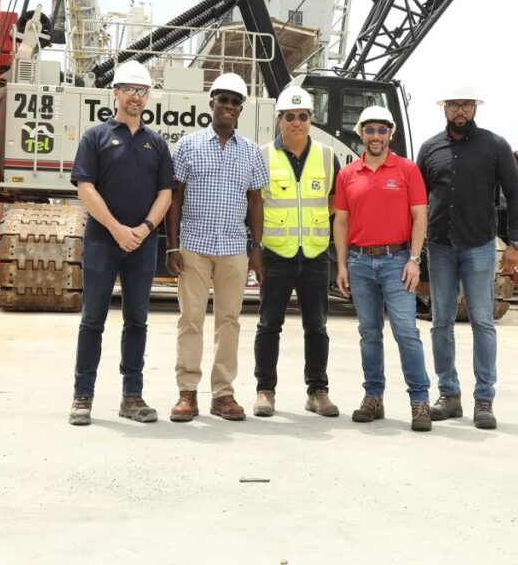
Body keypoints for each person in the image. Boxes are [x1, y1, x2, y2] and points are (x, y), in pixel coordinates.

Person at [68, 61, 174, 426]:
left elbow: (166, 193)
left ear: (148, 97)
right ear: (115, 92)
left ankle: (132, 397)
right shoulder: (95, 137)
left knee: (137, 321)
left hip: (142, 244)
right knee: (92, 319)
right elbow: (85, 187)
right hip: (102, 239)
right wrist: (115, 228)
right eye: (129, 89)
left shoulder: (156, 143)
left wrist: (144, 229)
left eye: (142, 91)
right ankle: (82, 397)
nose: (135, 96)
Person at [416, 85, 518, 429]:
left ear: (475, 108)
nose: (459, 111)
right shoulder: (430, 148)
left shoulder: (495, 146)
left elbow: (516, 194)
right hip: (439, 246)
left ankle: (484, 399)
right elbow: (417, 203)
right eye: (453, 105)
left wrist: (515, 243)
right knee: (440, 323)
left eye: (465, 105)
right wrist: (414, 254)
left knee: (482, 321)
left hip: (479, 246)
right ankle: (449, 395)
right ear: (444, 108)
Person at [165, 72, 268, 422]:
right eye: (222, 99)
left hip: (234, 248)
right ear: (211, 104)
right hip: (193, 245)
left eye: (235, 101)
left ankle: (223, 394)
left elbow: (255, 203)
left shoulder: (252, 151)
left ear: (241, 109)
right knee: (190, 319)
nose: (228, 106)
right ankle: (187, 393)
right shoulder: (188, 145)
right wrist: (172, 246)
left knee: (229, 321)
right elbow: (175, 199)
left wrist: (256, 249)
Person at [334, 105, 432, 432]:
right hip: (360, 263)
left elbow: (420, 216)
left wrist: (414, 260)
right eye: (370, 130)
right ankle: (373, 397)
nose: (376, 136)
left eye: (382, 130)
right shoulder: (348, 173)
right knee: (369, 333)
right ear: (360, 133)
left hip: (397, 262)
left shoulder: (407, 170)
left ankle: (419, 401)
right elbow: (342, 222)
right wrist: (343, 264)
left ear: (390, 134)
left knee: (406, 331)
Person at [252, 86, 342, 418]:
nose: (297, 123)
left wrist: (316, 221)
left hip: (316, 253)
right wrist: (256, 248)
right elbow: (255, 204)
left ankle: (317, 391)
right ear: (279, 119)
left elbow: (336, 199)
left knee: (316, 326)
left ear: (310, 119)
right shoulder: (262, 155)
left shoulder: (327, 155)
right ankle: (265, 391)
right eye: (290, 117)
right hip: (277, 252)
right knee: (268, 324)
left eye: (303, 116)